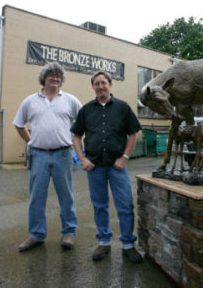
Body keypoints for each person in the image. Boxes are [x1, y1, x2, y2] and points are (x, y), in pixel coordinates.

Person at [71, 71, 143, 263]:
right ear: (93, 87)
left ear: (110, 85)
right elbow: (76, 136)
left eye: (103, 83)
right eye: (96, 84)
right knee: (100, 205)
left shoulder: (122, 107)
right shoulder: (86, 110)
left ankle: (128, 243)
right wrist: (82, 158)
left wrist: (125, 157)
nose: (100, 86)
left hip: (117, 166)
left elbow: (133, 133)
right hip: (94, 167)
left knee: (125, 205)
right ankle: (104, 242)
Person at [13, 62, 82, 252]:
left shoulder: (70, 100)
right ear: (44, 78)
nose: (55, 78)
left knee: (66, 195)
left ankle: (69, 232)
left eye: (59, 75)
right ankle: (36, 235)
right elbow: (19, 124)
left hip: (63, 154)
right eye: (51, 74)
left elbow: (83, 122)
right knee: (37, 197)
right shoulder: (30, 101)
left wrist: (76, 143)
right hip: (38, 155)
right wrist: (30, 141)